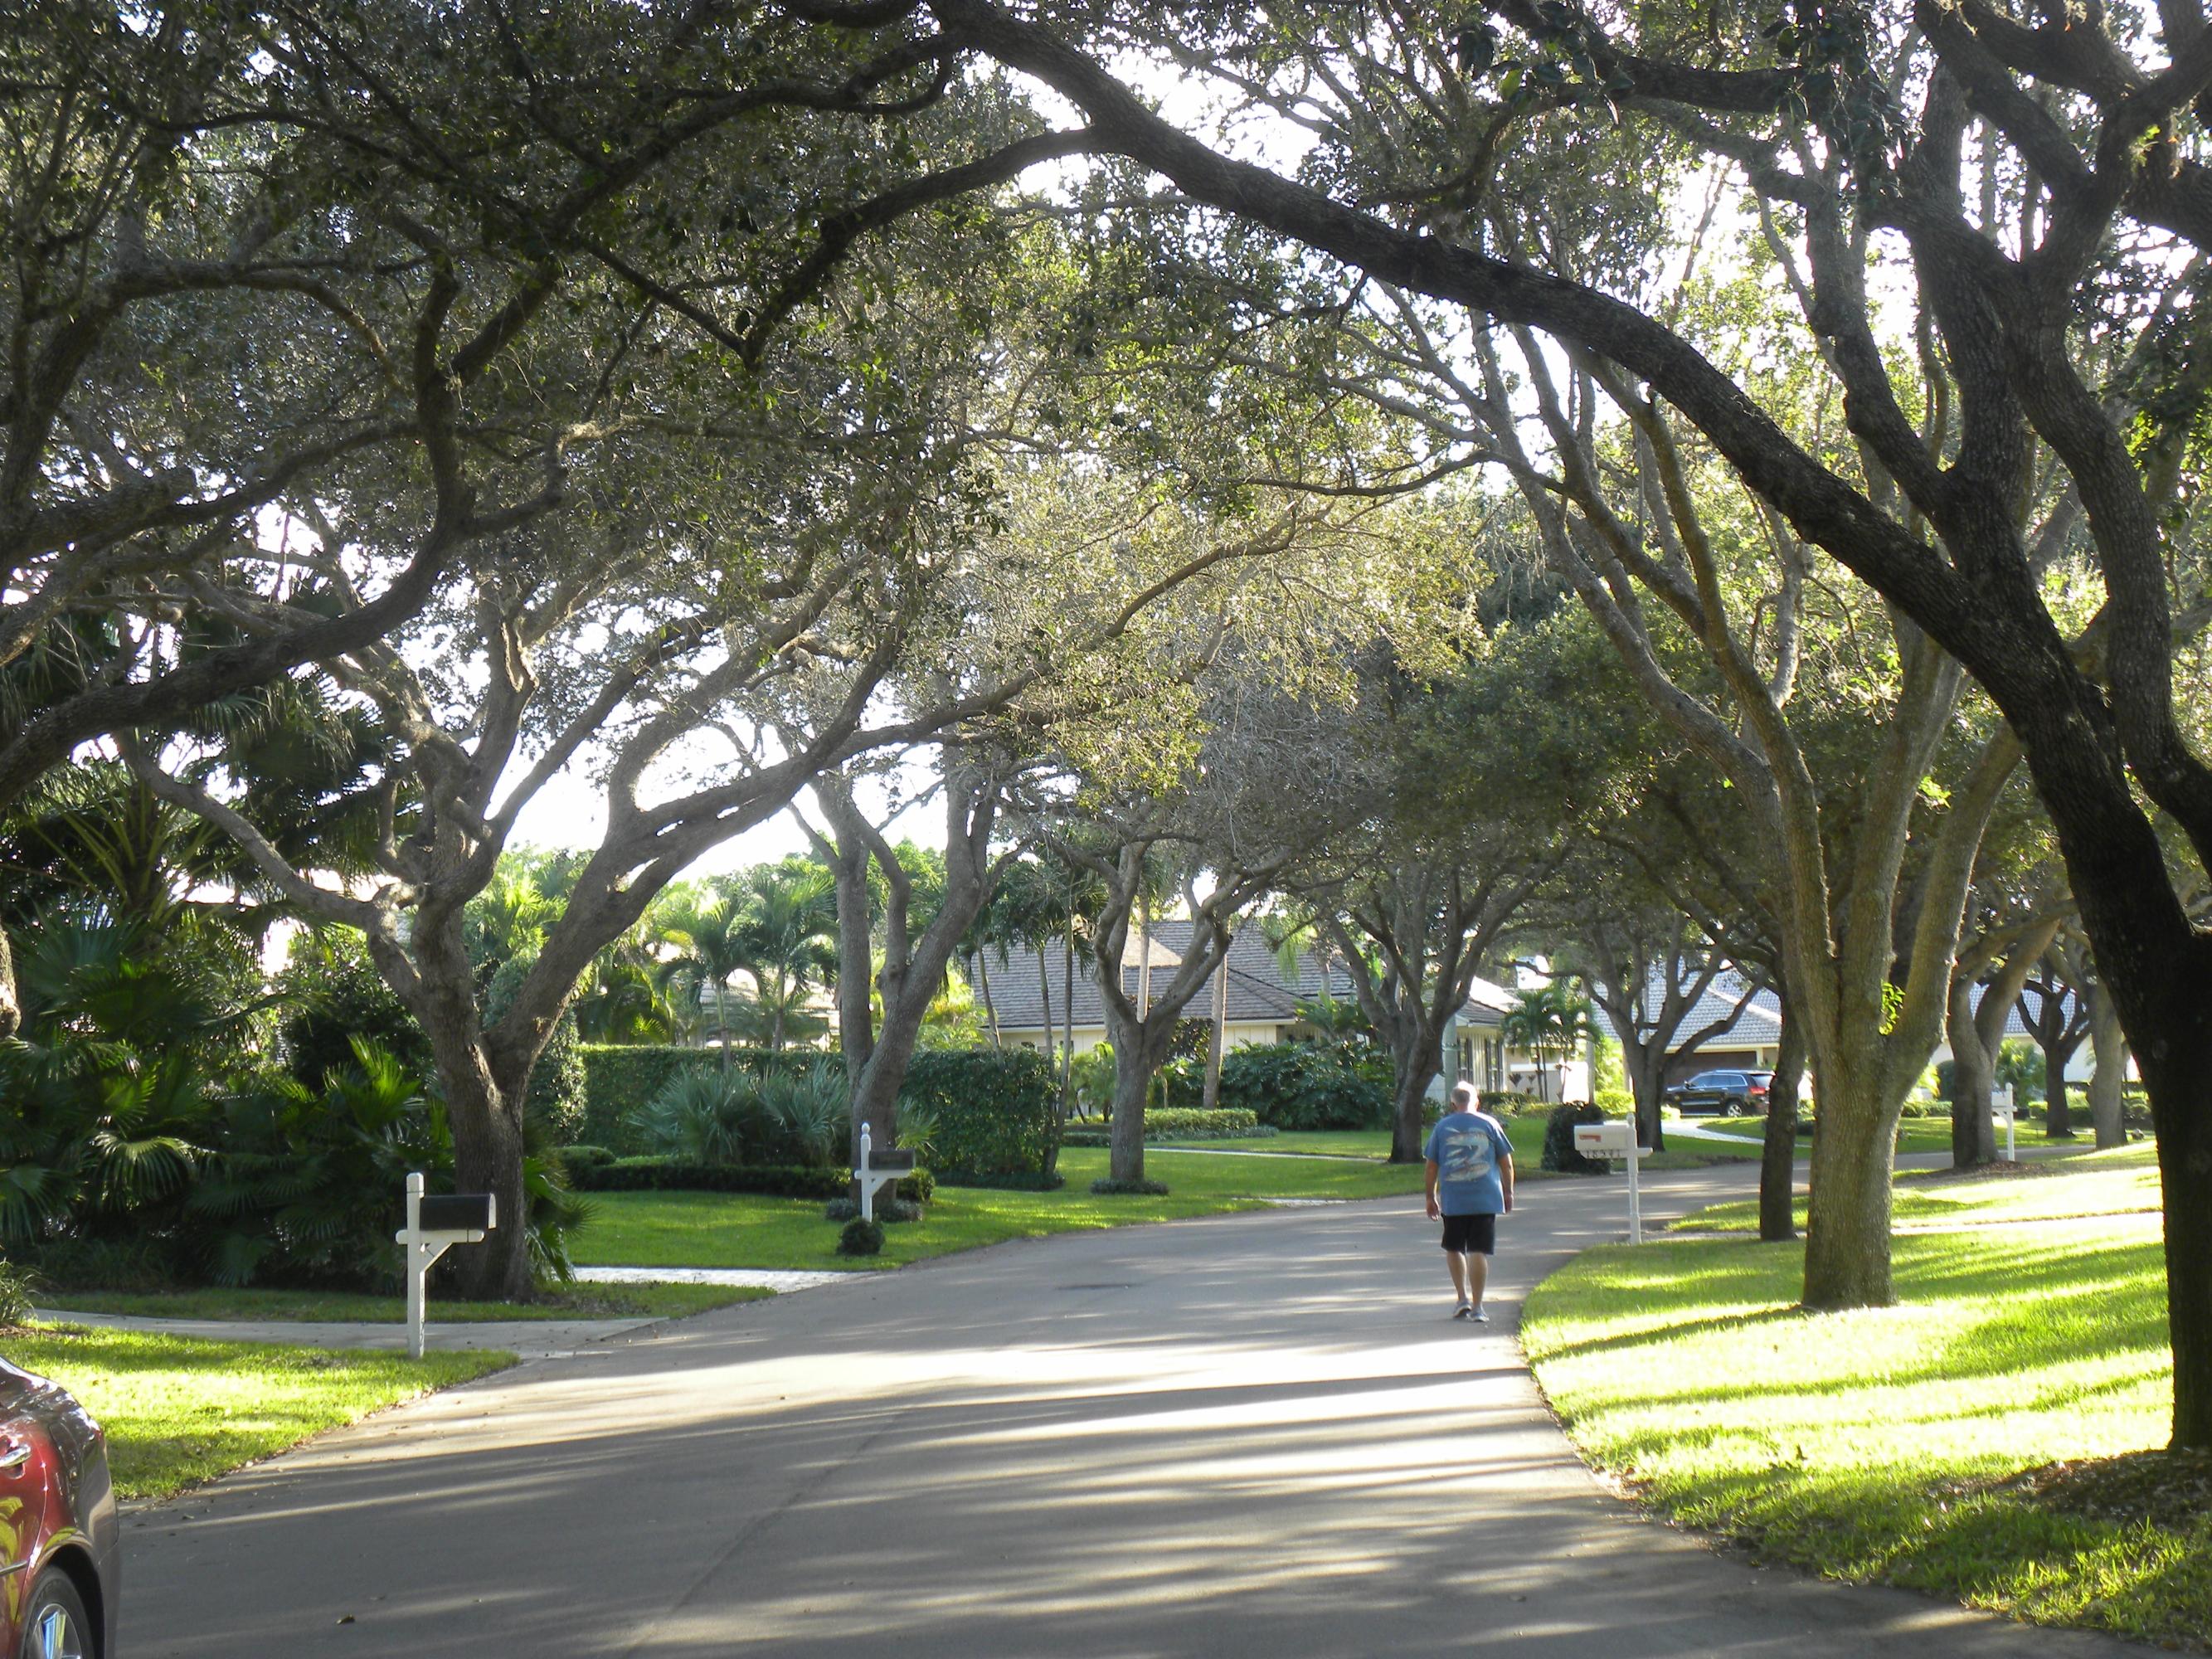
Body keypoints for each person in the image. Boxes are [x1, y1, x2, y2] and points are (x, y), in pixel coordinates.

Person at [1423, 1081, 1515, 1321]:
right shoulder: (1490, 1124)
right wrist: (1508, 1192)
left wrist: (1430, 1197)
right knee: (1478, 1250)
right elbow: (1506, 1163)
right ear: (1476, 1102)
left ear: (1453, 1104)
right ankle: (1478, 1307)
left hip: (1454, 1199)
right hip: (1486, 1198)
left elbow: (1431, 1166)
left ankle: (1462, 1298)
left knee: (1454, 1247)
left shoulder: (1442, 1127)